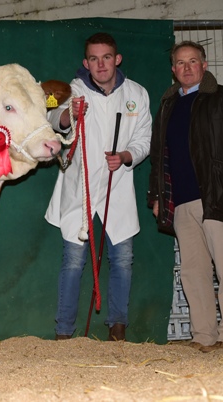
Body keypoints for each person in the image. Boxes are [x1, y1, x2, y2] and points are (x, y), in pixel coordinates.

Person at [45, 32, 152, 341]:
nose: (101, 64)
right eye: (94, 58)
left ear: (117, 59)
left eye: (107, 57)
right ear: (86, 62)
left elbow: (144, 137)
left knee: (122, 259)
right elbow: (53, 118)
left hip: (117, 185)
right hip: (80, 187)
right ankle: (64, 333)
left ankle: (117, 328)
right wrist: (69, 115)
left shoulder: (136, 94)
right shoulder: (74, 91)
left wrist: (126, 156)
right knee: (74, 260)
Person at [148, 41, 223, 353]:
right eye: (181, 63)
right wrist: (157, 195)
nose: (188, 67)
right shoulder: (167, 105)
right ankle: (205, 336)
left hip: (215, 198)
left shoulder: (219, 99)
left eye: (194, 61)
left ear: (204, 65)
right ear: (173, 70)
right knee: (194, 272)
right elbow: (158, 156)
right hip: (181, 202)